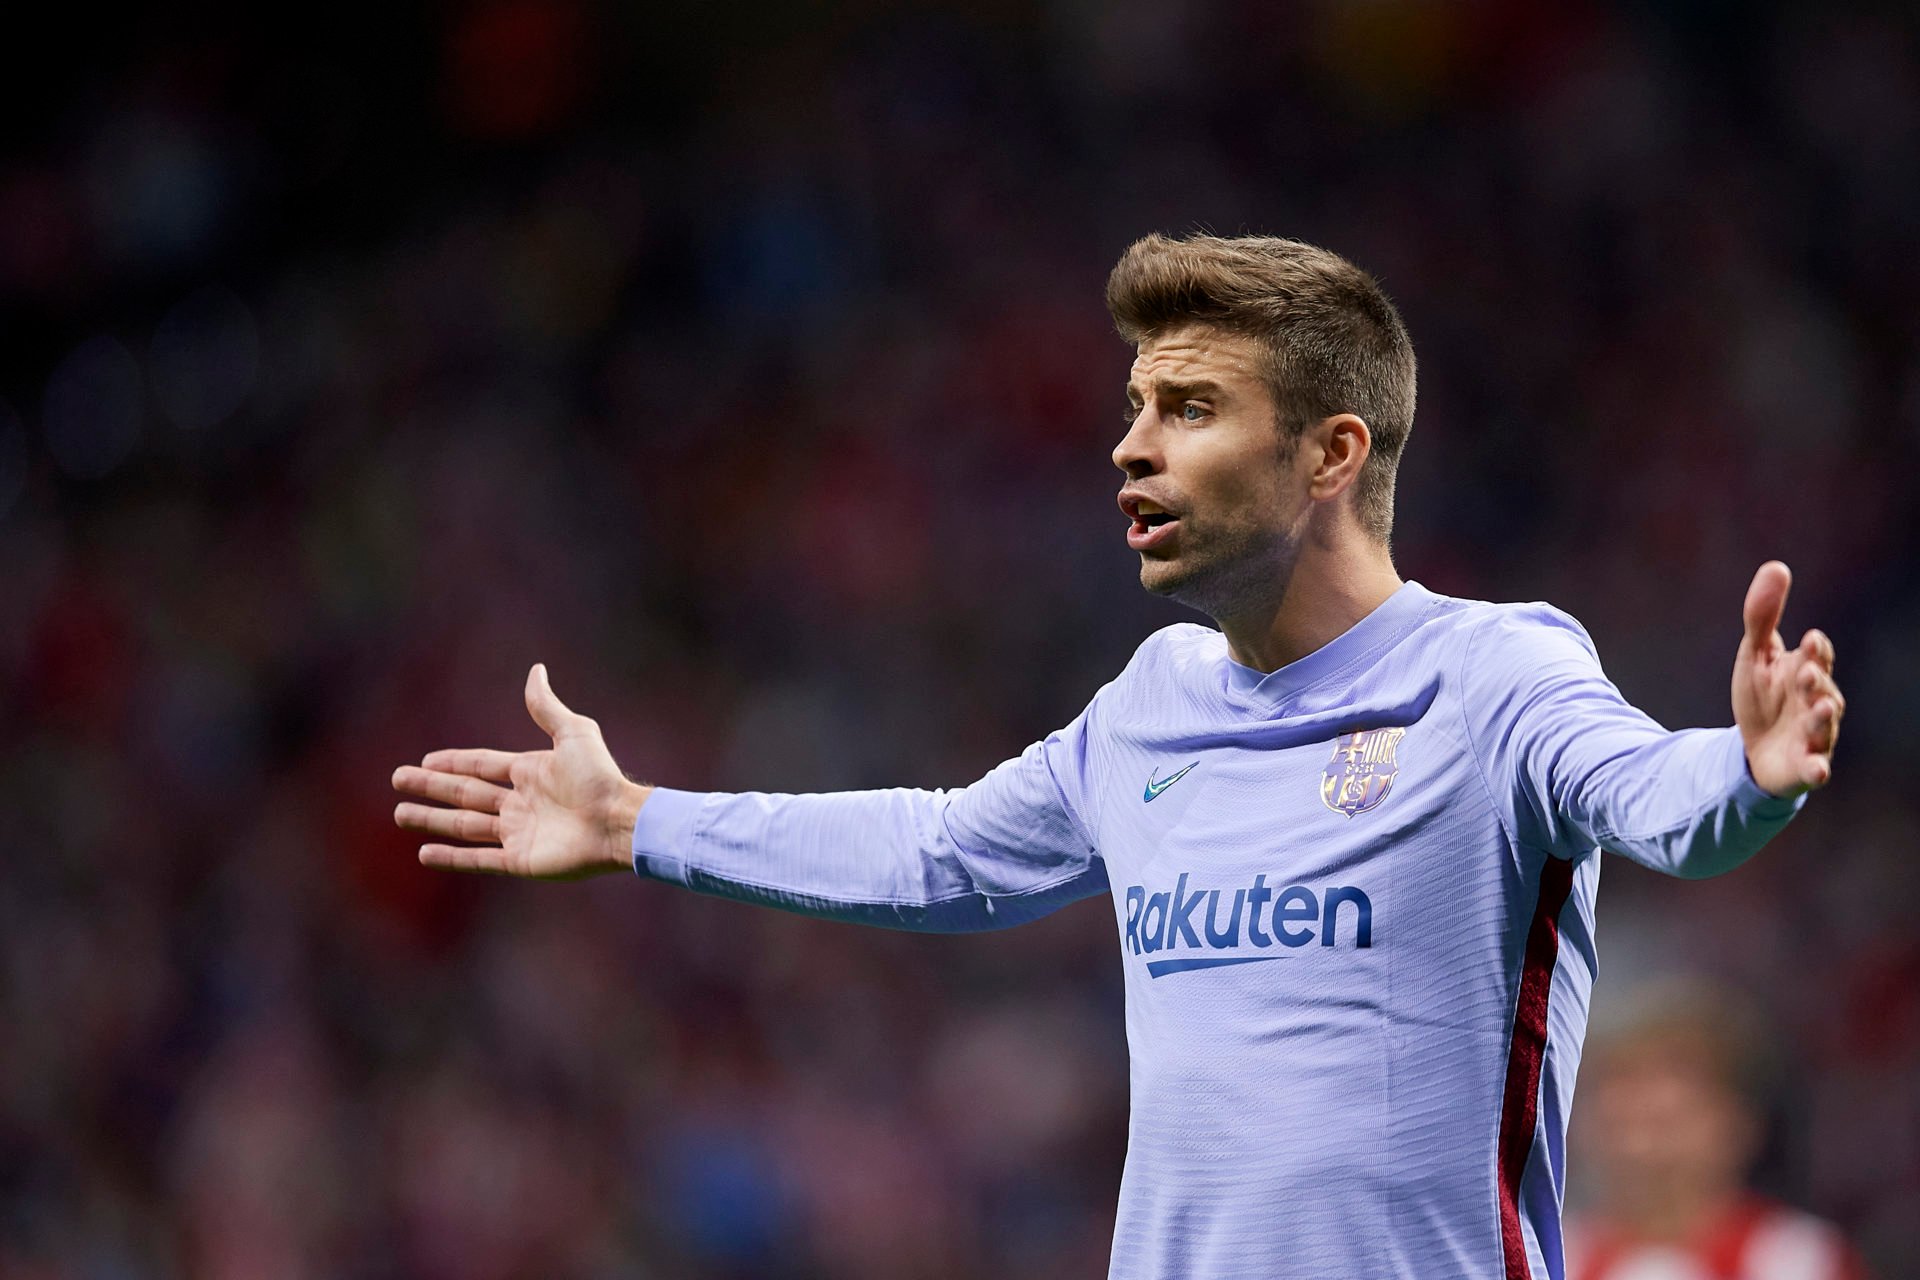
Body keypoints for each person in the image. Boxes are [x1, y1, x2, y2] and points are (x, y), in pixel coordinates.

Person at [391, 233, 1846, 1280]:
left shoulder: (1495, 671)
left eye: (1189, 409)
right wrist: (640, 817)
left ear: (1333, 454)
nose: (1129, 448)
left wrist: (1753, 770)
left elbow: (1660, 802)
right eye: (1135, 407)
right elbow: (939, 853)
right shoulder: (1150, 702)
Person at [1564, 983, 1868, 1280]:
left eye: (1664, 1123)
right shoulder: (1550, 1257)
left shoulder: (1801, 1260)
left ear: (1738, 1124)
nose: (1637, 1148)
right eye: (1618, 1123)